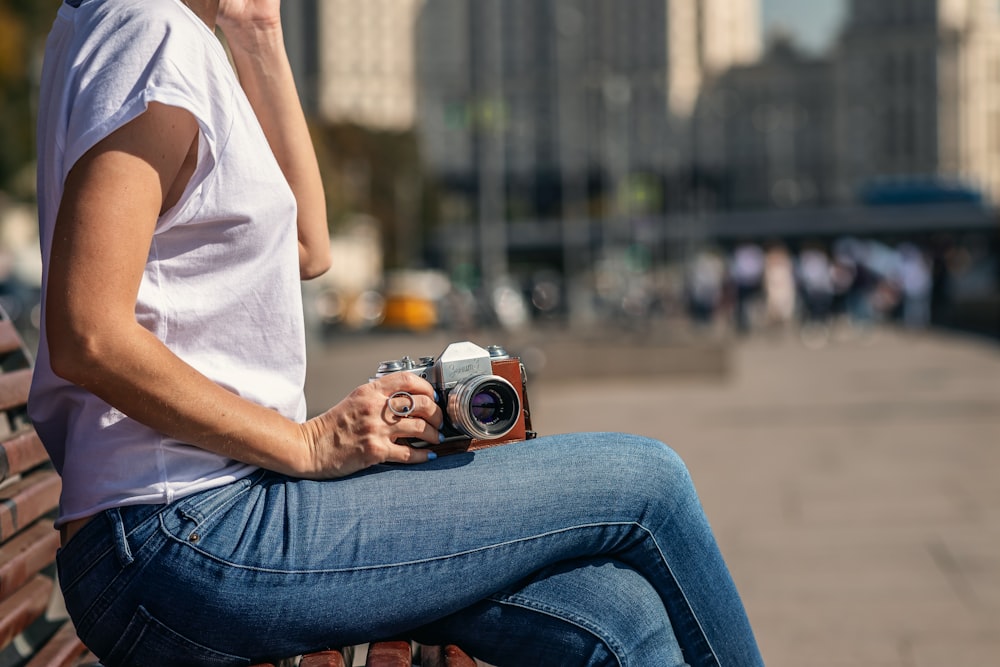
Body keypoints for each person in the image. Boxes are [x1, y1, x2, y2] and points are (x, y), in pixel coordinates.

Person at [31, 1, 764, 665]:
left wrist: (256, 33)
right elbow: (88, 332)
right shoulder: (150, 30)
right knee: (649, 484)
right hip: (182, 533)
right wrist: (307, 443)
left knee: (622, 617)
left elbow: (309, 246)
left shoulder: (159, 34)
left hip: (200, 525)